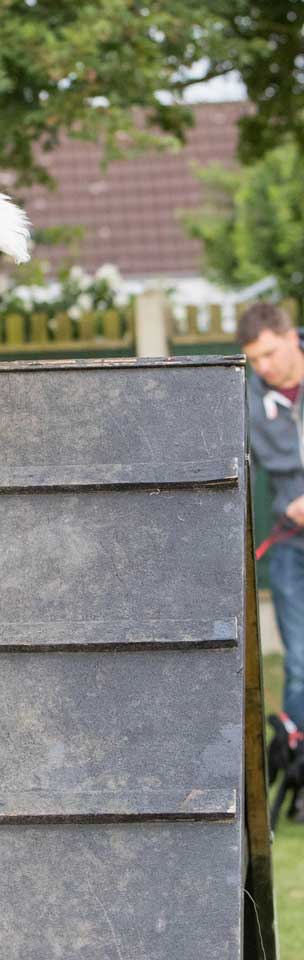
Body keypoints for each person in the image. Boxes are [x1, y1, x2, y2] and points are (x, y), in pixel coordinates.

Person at [239, 301, 304, 732]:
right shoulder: (248, 397)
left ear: (291, 337)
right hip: (289, 544)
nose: (262, 367)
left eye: (269, 353)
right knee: (299, 660)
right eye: (253, 360)